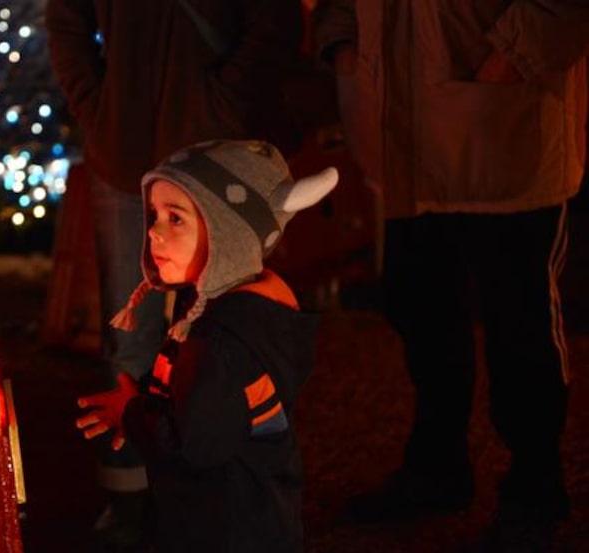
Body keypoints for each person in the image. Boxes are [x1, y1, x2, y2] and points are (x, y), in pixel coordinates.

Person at [312, 2, 589, 550]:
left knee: (520, 329)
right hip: (406, 139)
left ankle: (535, 487)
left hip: (502, 130)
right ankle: (437, 468)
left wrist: (506, 59)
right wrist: (344, 46)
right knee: (421, 314)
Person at [44, 1, 303, 546]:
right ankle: (136, 499)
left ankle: (219, 492)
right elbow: (67, 20)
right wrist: (101, 107)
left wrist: (222, 101)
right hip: (127, 138)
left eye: (168, 222)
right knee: (132, 338)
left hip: (212, 147)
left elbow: (271, 20)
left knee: (226, 323)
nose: (156, 235)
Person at [75, 139, 338, 552]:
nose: (154, 231)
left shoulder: (224, 342)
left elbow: (194, 443)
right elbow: (185, 386)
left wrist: (133, 413)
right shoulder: (211, 310)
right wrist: (143, 395)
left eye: (176, 218)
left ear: (228, 236)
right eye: (155, 215)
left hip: (231, 530)